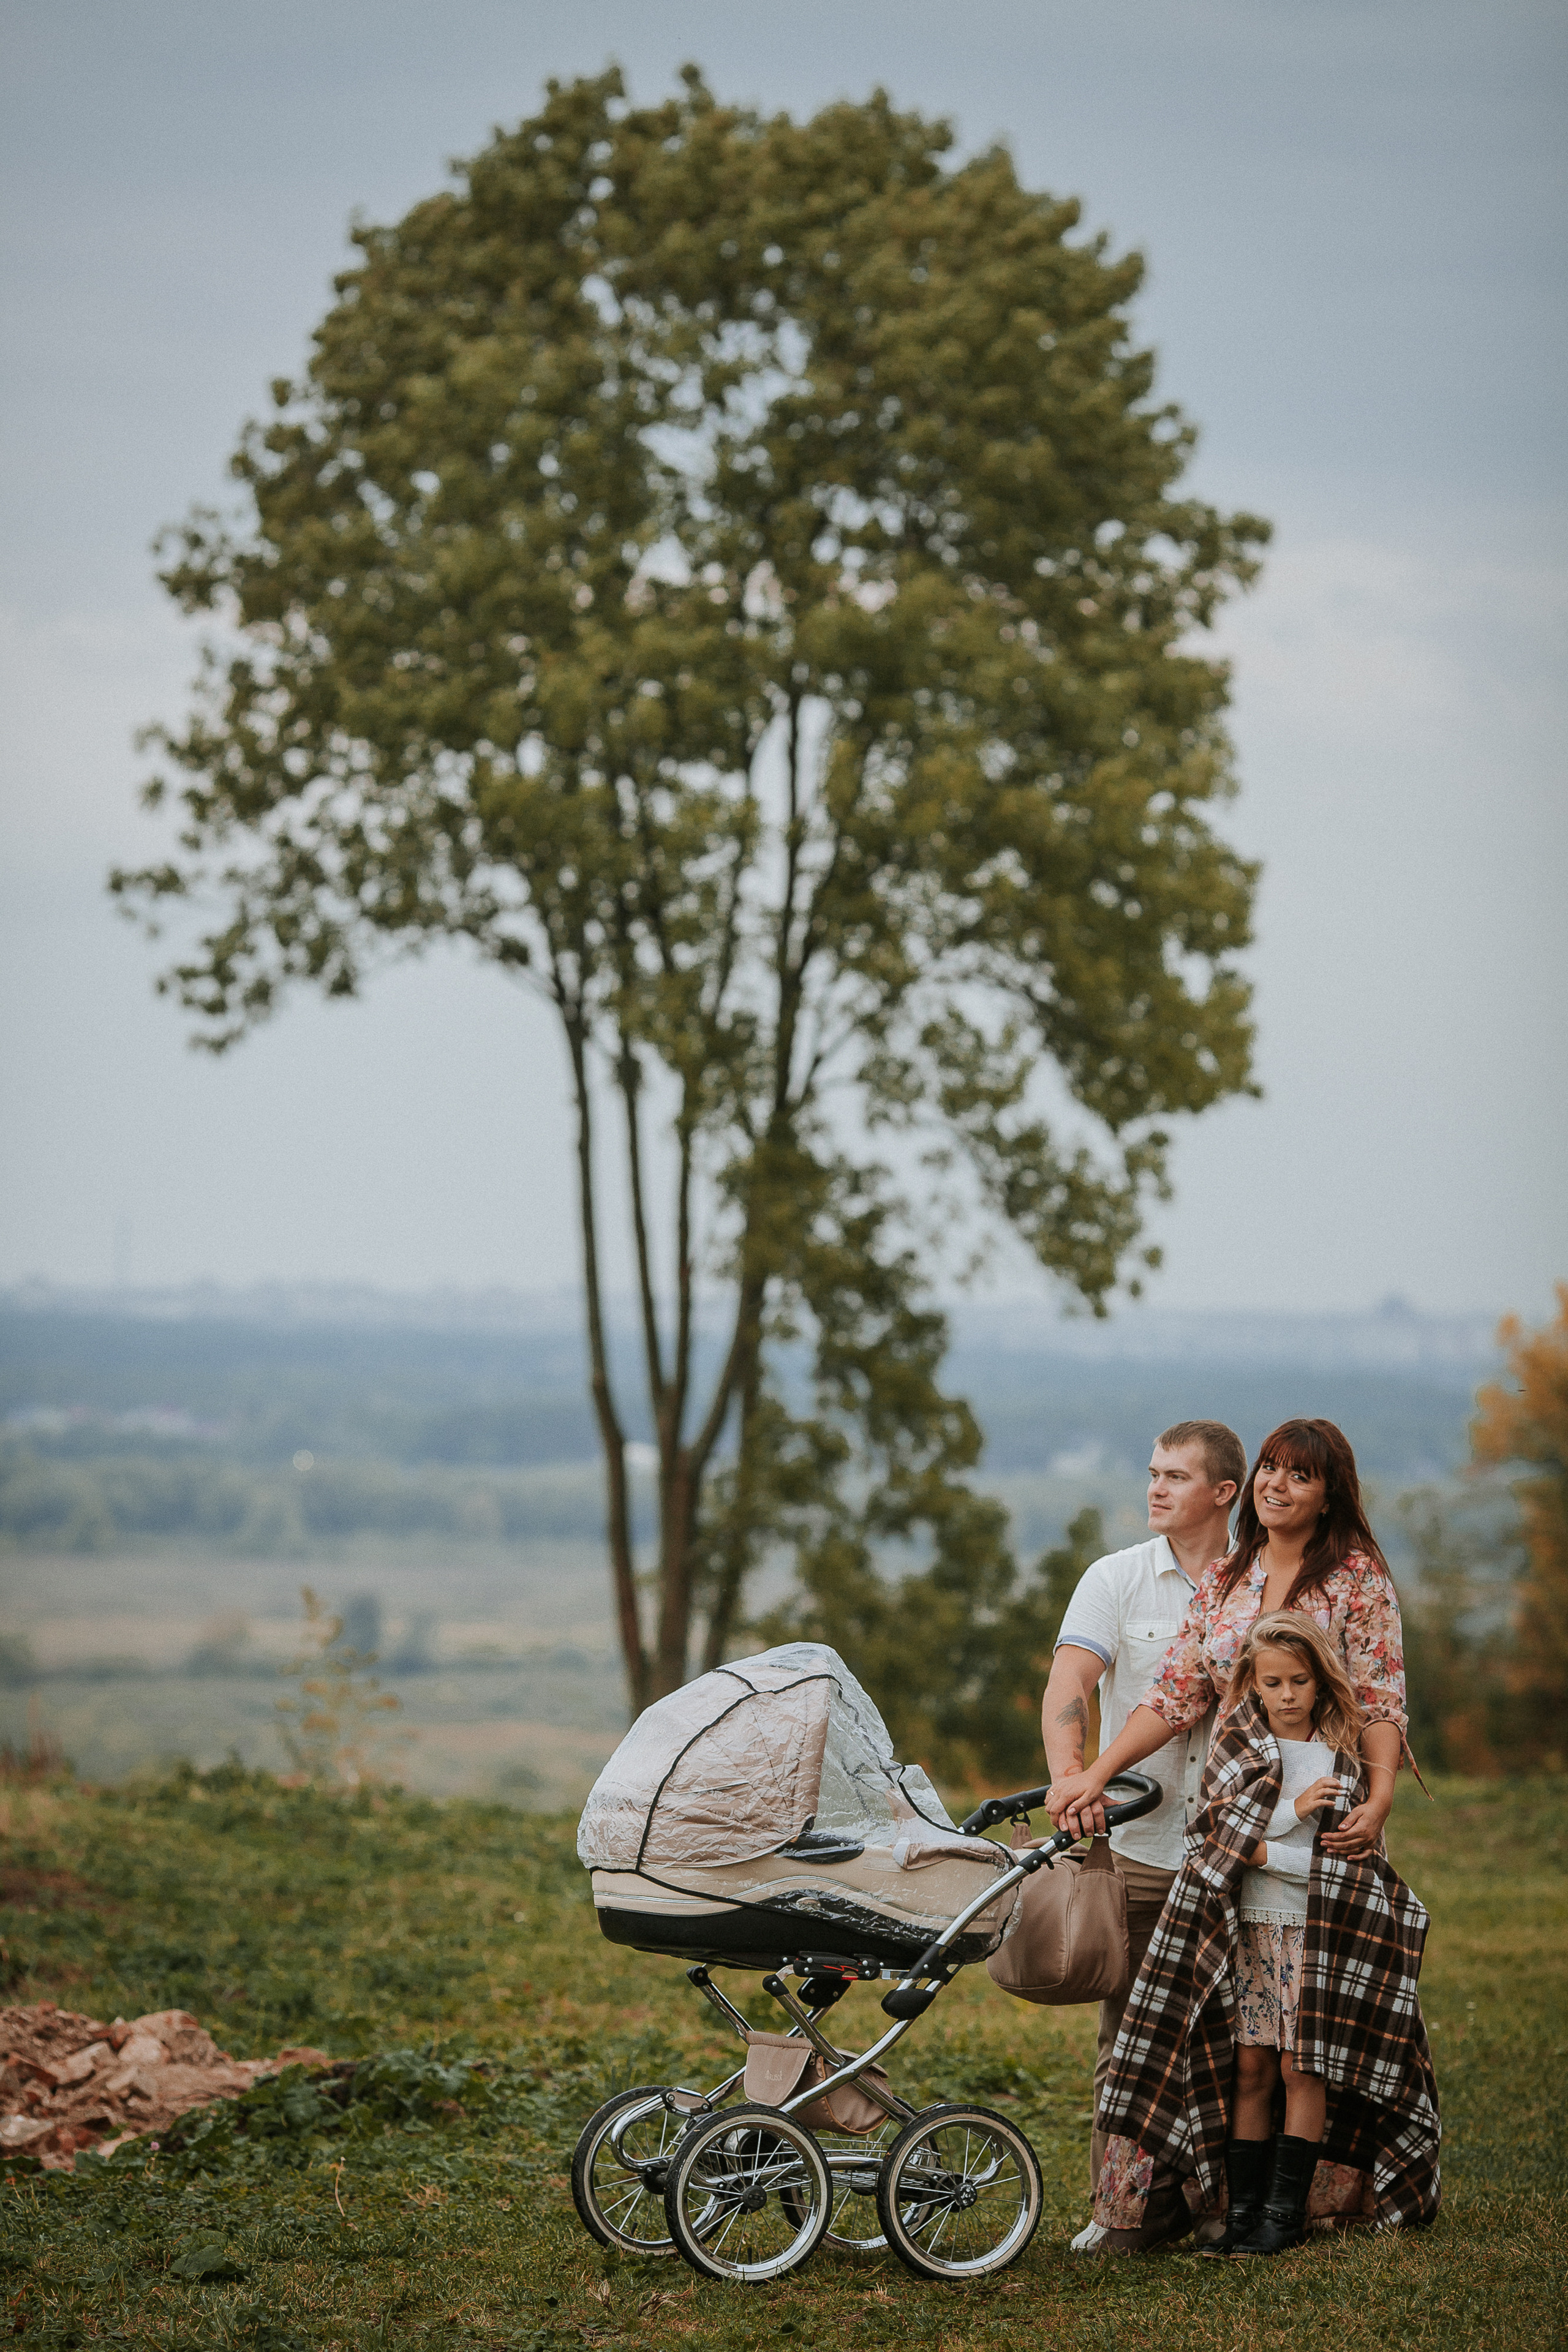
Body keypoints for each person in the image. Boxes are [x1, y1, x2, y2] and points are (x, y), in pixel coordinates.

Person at [1047, 1417, 1428, 2248]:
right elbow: (1175, 1691)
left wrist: (1380, 1798)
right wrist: (1097, 1771)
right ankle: (1220, 2204)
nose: (1277, 1486)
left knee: (1317, 2024)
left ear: (1330, 1494)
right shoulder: (1230, 1574)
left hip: (1327, 1818)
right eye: (1270, 1469)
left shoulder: (1356, 1578)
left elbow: (1381, 1697)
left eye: (1300, 1475)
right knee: (1236, 2025)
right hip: (1230, 1828)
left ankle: (1311, 2203)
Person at [1091, 1610, 1439, 2252]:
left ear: (1320, 1680)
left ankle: (1284, 2215)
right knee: (1250, 2068)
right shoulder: (1238, 1746)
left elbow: (1336, 1862)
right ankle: (1242, 2212)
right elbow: (1218, 1838)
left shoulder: (1342, 1753)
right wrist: (1290, 1815)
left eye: (1299, 1681)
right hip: (1249, 1932)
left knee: (1301, 2067)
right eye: (1273, 1682)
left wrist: (1262, 1846)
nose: (1287, 1695)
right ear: (1252, 1682)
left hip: (1317, 1935)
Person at [1040, 1418, 1247, 2248]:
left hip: (1243, 1847)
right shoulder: (1115, 1577)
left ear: (1224, 1492)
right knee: (1128, 2036)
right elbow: (1072, 1677)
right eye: (1153, 1472)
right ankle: (1122, 2212)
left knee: (1241, 2037)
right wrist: (1070, 1775)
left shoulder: (1265, 1582)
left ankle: (1229, 2207)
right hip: (1142, 1846)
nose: (1155, 1487)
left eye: (1175, 1476)